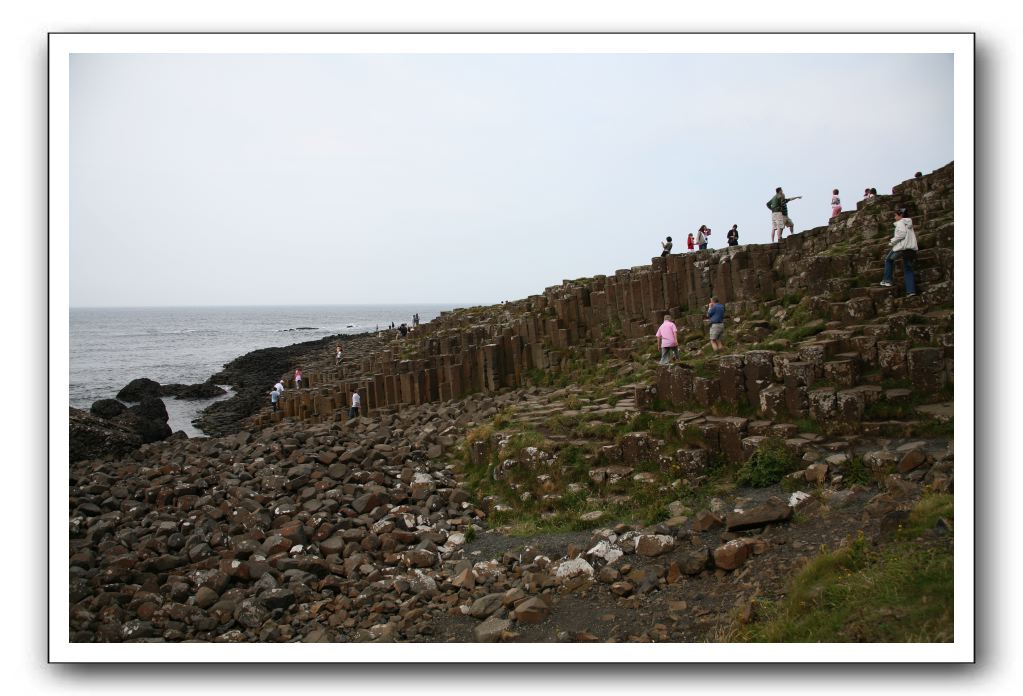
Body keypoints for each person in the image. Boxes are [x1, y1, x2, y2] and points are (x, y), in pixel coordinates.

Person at [879, 207, 919, 296]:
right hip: (911, 249)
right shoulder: (909, 223)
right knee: (908, 269)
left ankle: (887, 280)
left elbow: (901, 234)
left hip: (901, 248)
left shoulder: (901, 222)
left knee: (888, 260)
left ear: (900, 215)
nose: (894, 217)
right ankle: (911, 291)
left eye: (895, 215)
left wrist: (892, 241)